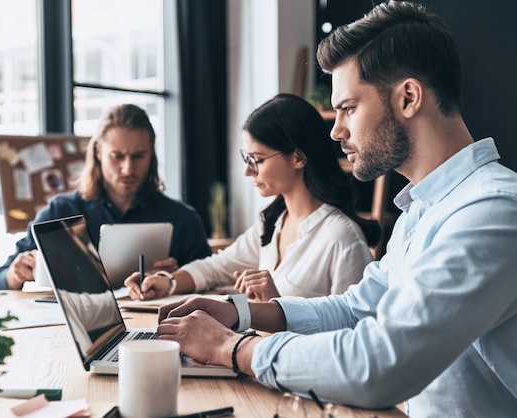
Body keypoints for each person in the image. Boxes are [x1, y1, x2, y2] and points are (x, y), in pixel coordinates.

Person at [155, 2, 517, 417]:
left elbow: (381, 364)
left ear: (409, 98)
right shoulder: (423, 210)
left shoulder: (491, 212)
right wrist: (241, 313)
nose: (335, 129)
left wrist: (231, 347)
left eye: (348, 107)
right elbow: (354, 309)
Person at [125, 94, 380, 302]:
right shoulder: (272, 221)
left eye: (256, 160)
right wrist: (167, 283)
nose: (248, 171)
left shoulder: (342, 239)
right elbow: (217, 267)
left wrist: (275, 305)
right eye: (246, 159)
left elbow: (353, 336)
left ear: (298, 158)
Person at [0, 104, 211, 290]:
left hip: (156, 331)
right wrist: (14, 275)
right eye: (117, 156)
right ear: (98, 153)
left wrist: (178, 279)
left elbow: (211, 283)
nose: (128, 168)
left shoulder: (183, 219)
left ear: (151, 154)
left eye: (138, 156)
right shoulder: (60, 211)